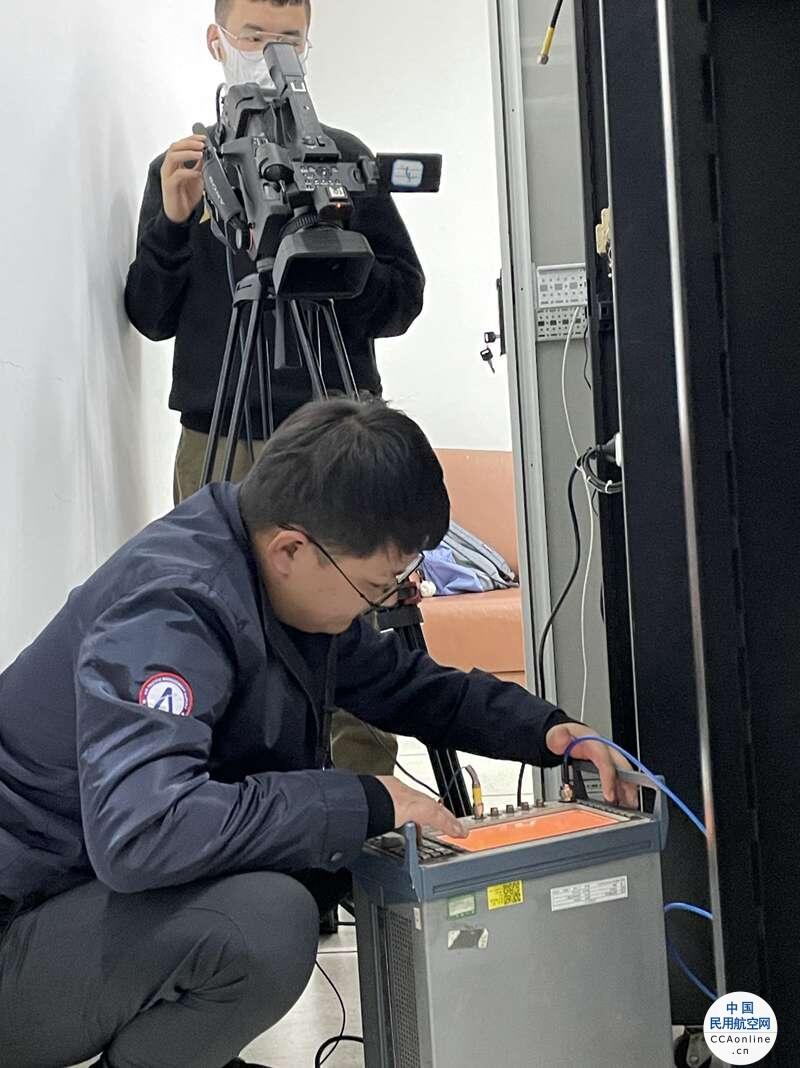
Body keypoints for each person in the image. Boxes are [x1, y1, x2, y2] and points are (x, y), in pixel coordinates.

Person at [0, 400, 634, 1068]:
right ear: (292, 549)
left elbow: (407, 686)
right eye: (377, 585)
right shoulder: (171, 610)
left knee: (303, 858)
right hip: (18, 925)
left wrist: (548, 731)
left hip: (67, 900)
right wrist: (362, 799)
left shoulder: (273, 582)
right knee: (266, 920)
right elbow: (144, 832)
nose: (381, 604)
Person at [124, 0, 424, 779]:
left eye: (288, 39)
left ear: (309, 44)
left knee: (358, 614)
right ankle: (235, 799)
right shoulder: (185, 167)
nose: (269, 54)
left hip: (337, 428)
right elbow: (150, 315)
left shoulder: (343, 160)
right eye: (254, 37)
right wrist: (172, 222)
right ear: (216, 41)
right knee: (217, 614)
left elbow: (403, 301)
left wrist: (336, 255)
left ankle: (364, 797)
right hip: (219, 435)